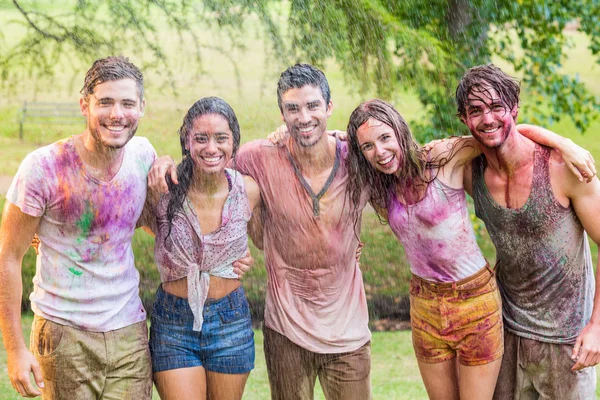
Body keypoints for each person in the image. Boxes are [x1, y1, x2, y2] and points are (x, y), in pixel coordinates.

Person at [343, 98, 593, 400]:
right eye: (368, 146)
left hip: (474, 300)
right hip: (424, 304)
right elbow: (332, 152)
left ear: (399, 131)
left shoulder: (439, 157)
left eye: (385, 138)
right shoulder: (378, 187)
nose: (380, 152)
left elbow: (502, 135)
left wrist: (564, 145)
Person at [151, 63, 372, 400]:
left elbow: (396, 163)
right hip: (284, 327)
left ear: (329, 107)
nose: (303, 117)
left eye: (313, 106)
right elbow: (207, 163)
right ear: (282, 114)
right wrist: (163, 160)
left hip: (347, 330)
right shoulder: (257, 158)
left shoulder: (357, 158)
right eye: (292, 109)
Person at [0, 56, 154, 399]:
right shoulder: (43, 168)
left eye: (127, 103)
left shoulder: (143, 156)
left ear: (141, 107)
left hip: (129, 331)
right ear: (85, 105)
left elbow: (157, 226)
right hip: (63, 333)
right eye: (105, 102)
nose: (117, 114)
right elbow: (8, 257)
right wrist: (14, 350)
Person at [456, 64, 600, 399]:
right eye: (475, 111)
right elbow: (406, 158)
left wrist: (597, 327)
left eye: (496, 107)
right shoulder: (469, 172)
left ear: (515, 109)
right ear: (464, 119)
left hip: (567, 340)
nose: (487, 119)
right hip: (503, 332)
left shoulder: (564, 169)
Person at [139, 97, 261, 399]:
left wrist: (247, 256)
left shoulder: (248, 190)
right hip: (174, 322)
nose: (211, 148)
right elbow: (135, 223)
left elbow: (264, 237)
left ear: (234, 142)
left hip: (230, 319)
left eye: (221, 138)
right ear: (186, 141)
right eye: (201, 138)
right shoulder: (164, 188)